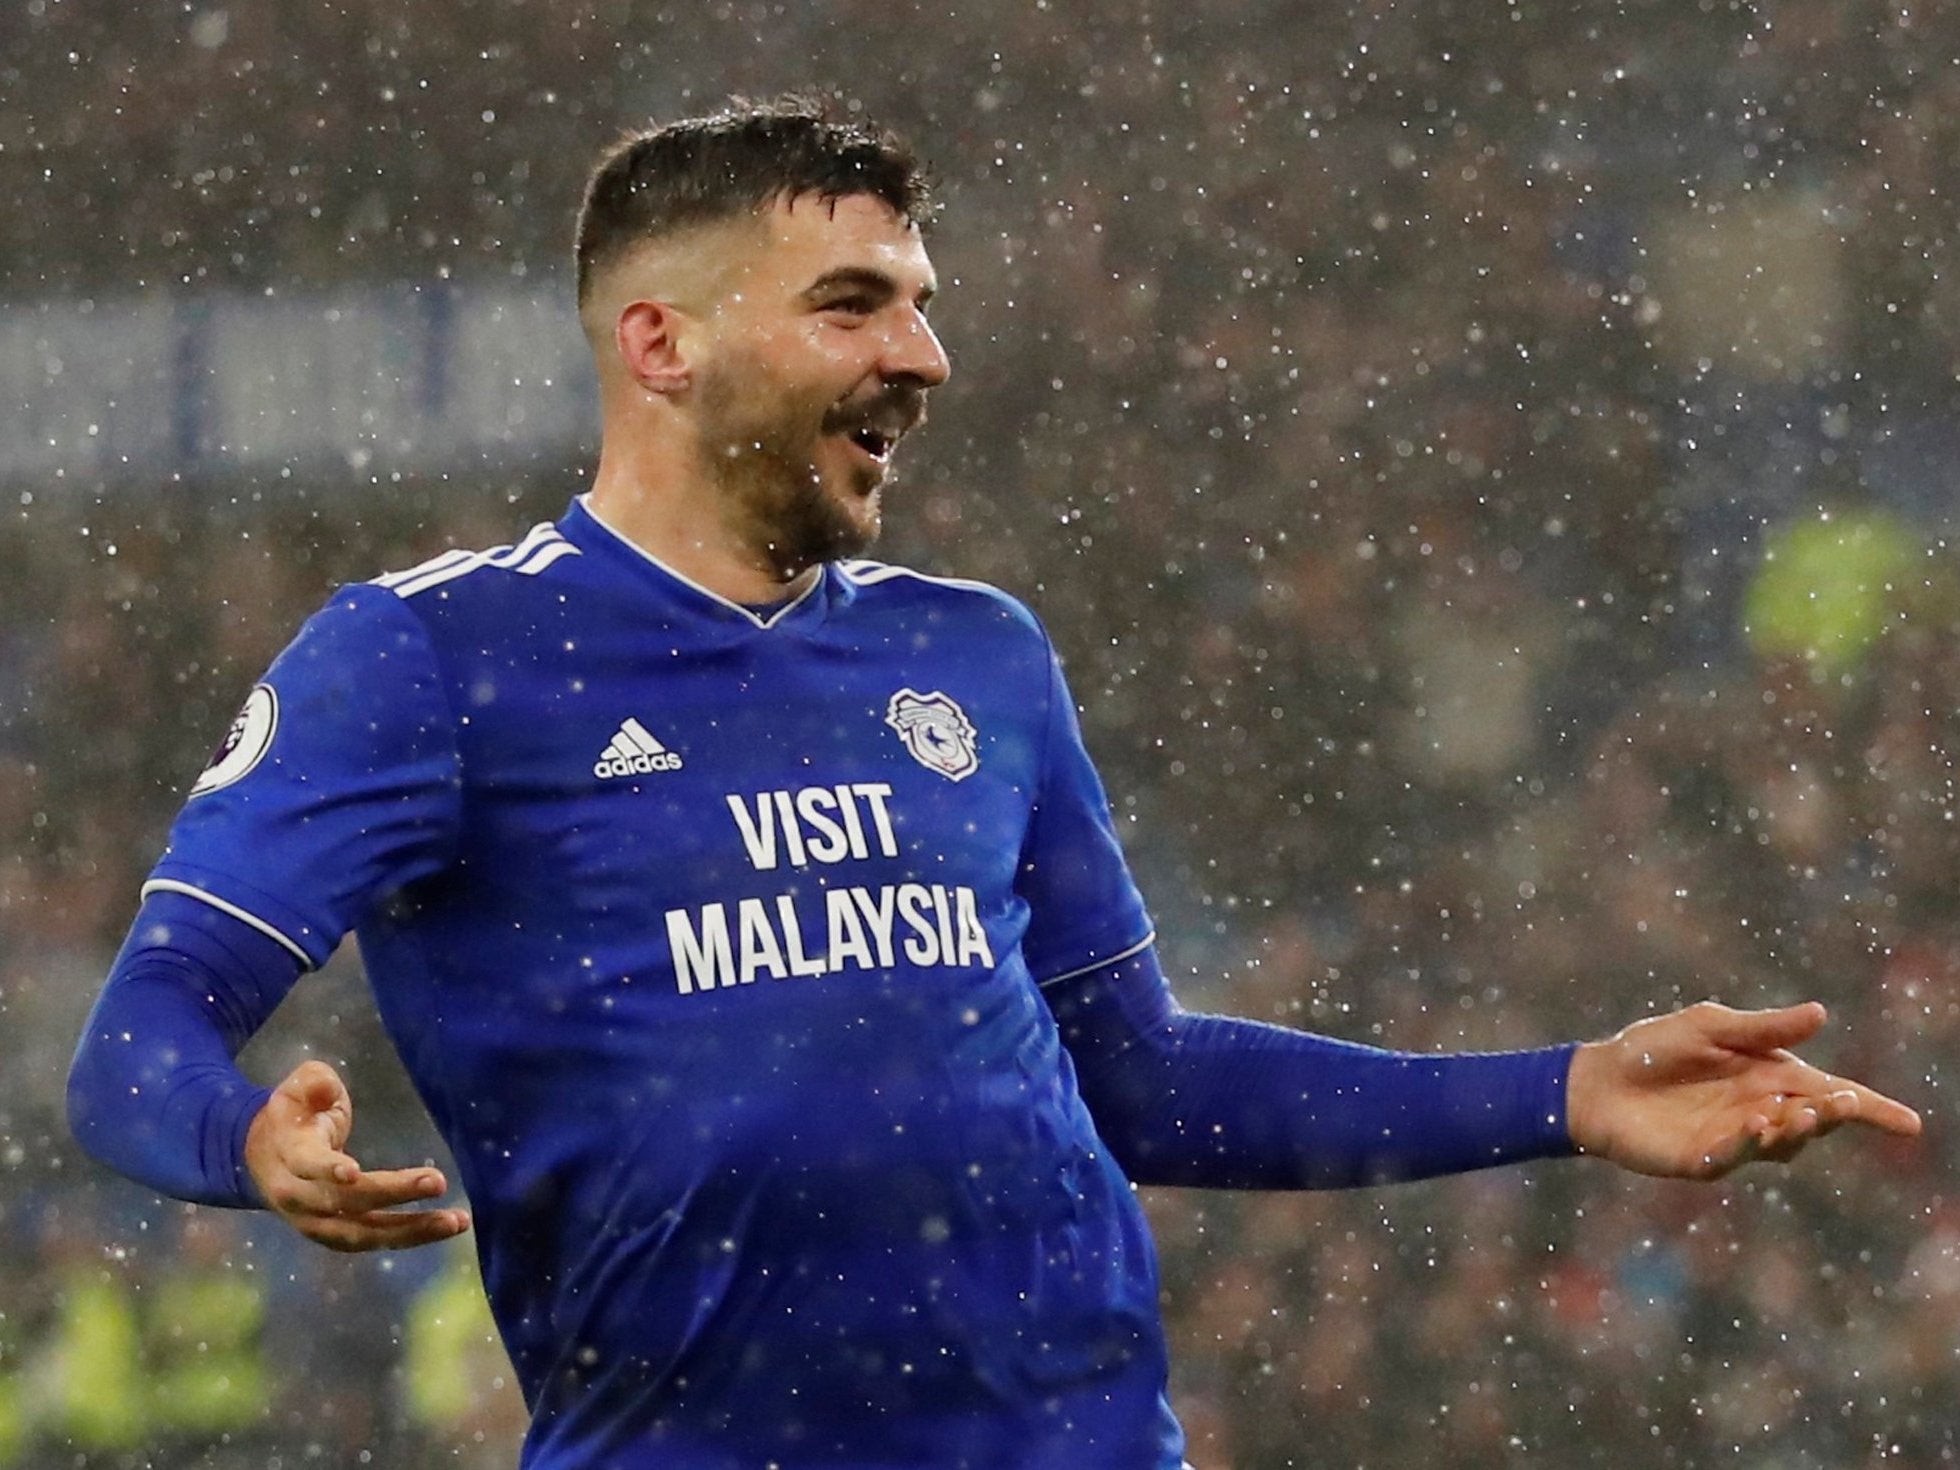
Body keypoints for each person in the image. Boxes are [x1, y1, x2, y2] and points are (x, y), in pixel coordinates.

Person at [67, 97, 1922, 1470]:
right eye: (856, 303)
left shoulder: (976, 655)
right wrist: (247, 1142)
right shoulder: (429, 657)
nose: (924, 355)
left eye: (922, 303)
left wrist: (1566, 1089)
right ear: (664, 341)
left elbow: (1146, 1078)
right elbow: (139, 1030)